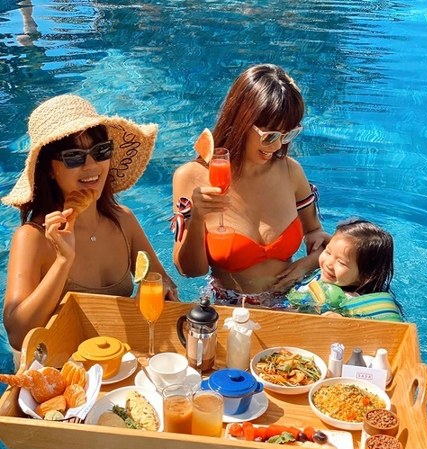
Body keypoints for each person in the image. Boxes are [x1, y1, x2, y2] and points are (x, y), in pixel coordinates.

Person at [2, 93, 178, 355]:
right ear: (48, 169)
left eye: (100, 151)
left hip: (118, 359)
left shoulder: (124, 221)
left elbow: (164, 283)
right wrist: (63, 261)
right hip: (60, 369)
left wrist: (159, 288)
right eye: (74, 156)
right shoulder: (33, 237)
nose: (91, 165)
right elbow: (17, 335)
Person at [171, 63, 329, 307]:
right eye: (269, 136)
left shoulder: (291, 171)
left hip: (291, 306)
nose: (277, 146)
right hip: (230, 309)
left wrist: (304, 266)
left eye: (288, 135)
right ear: (242, 121)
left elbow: (316, 234)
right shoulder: (193, 177)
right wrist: (197, 219)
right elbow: (190, 271)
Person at [286, 218, 403, 321]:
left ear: (365, 276)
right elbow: (343, 248)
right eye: (328, 252)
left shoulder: (352, 303)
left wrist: (343, 322)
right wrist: (322, 236)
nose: (328, 264)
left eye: (341, 262)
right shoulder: (333, 272)